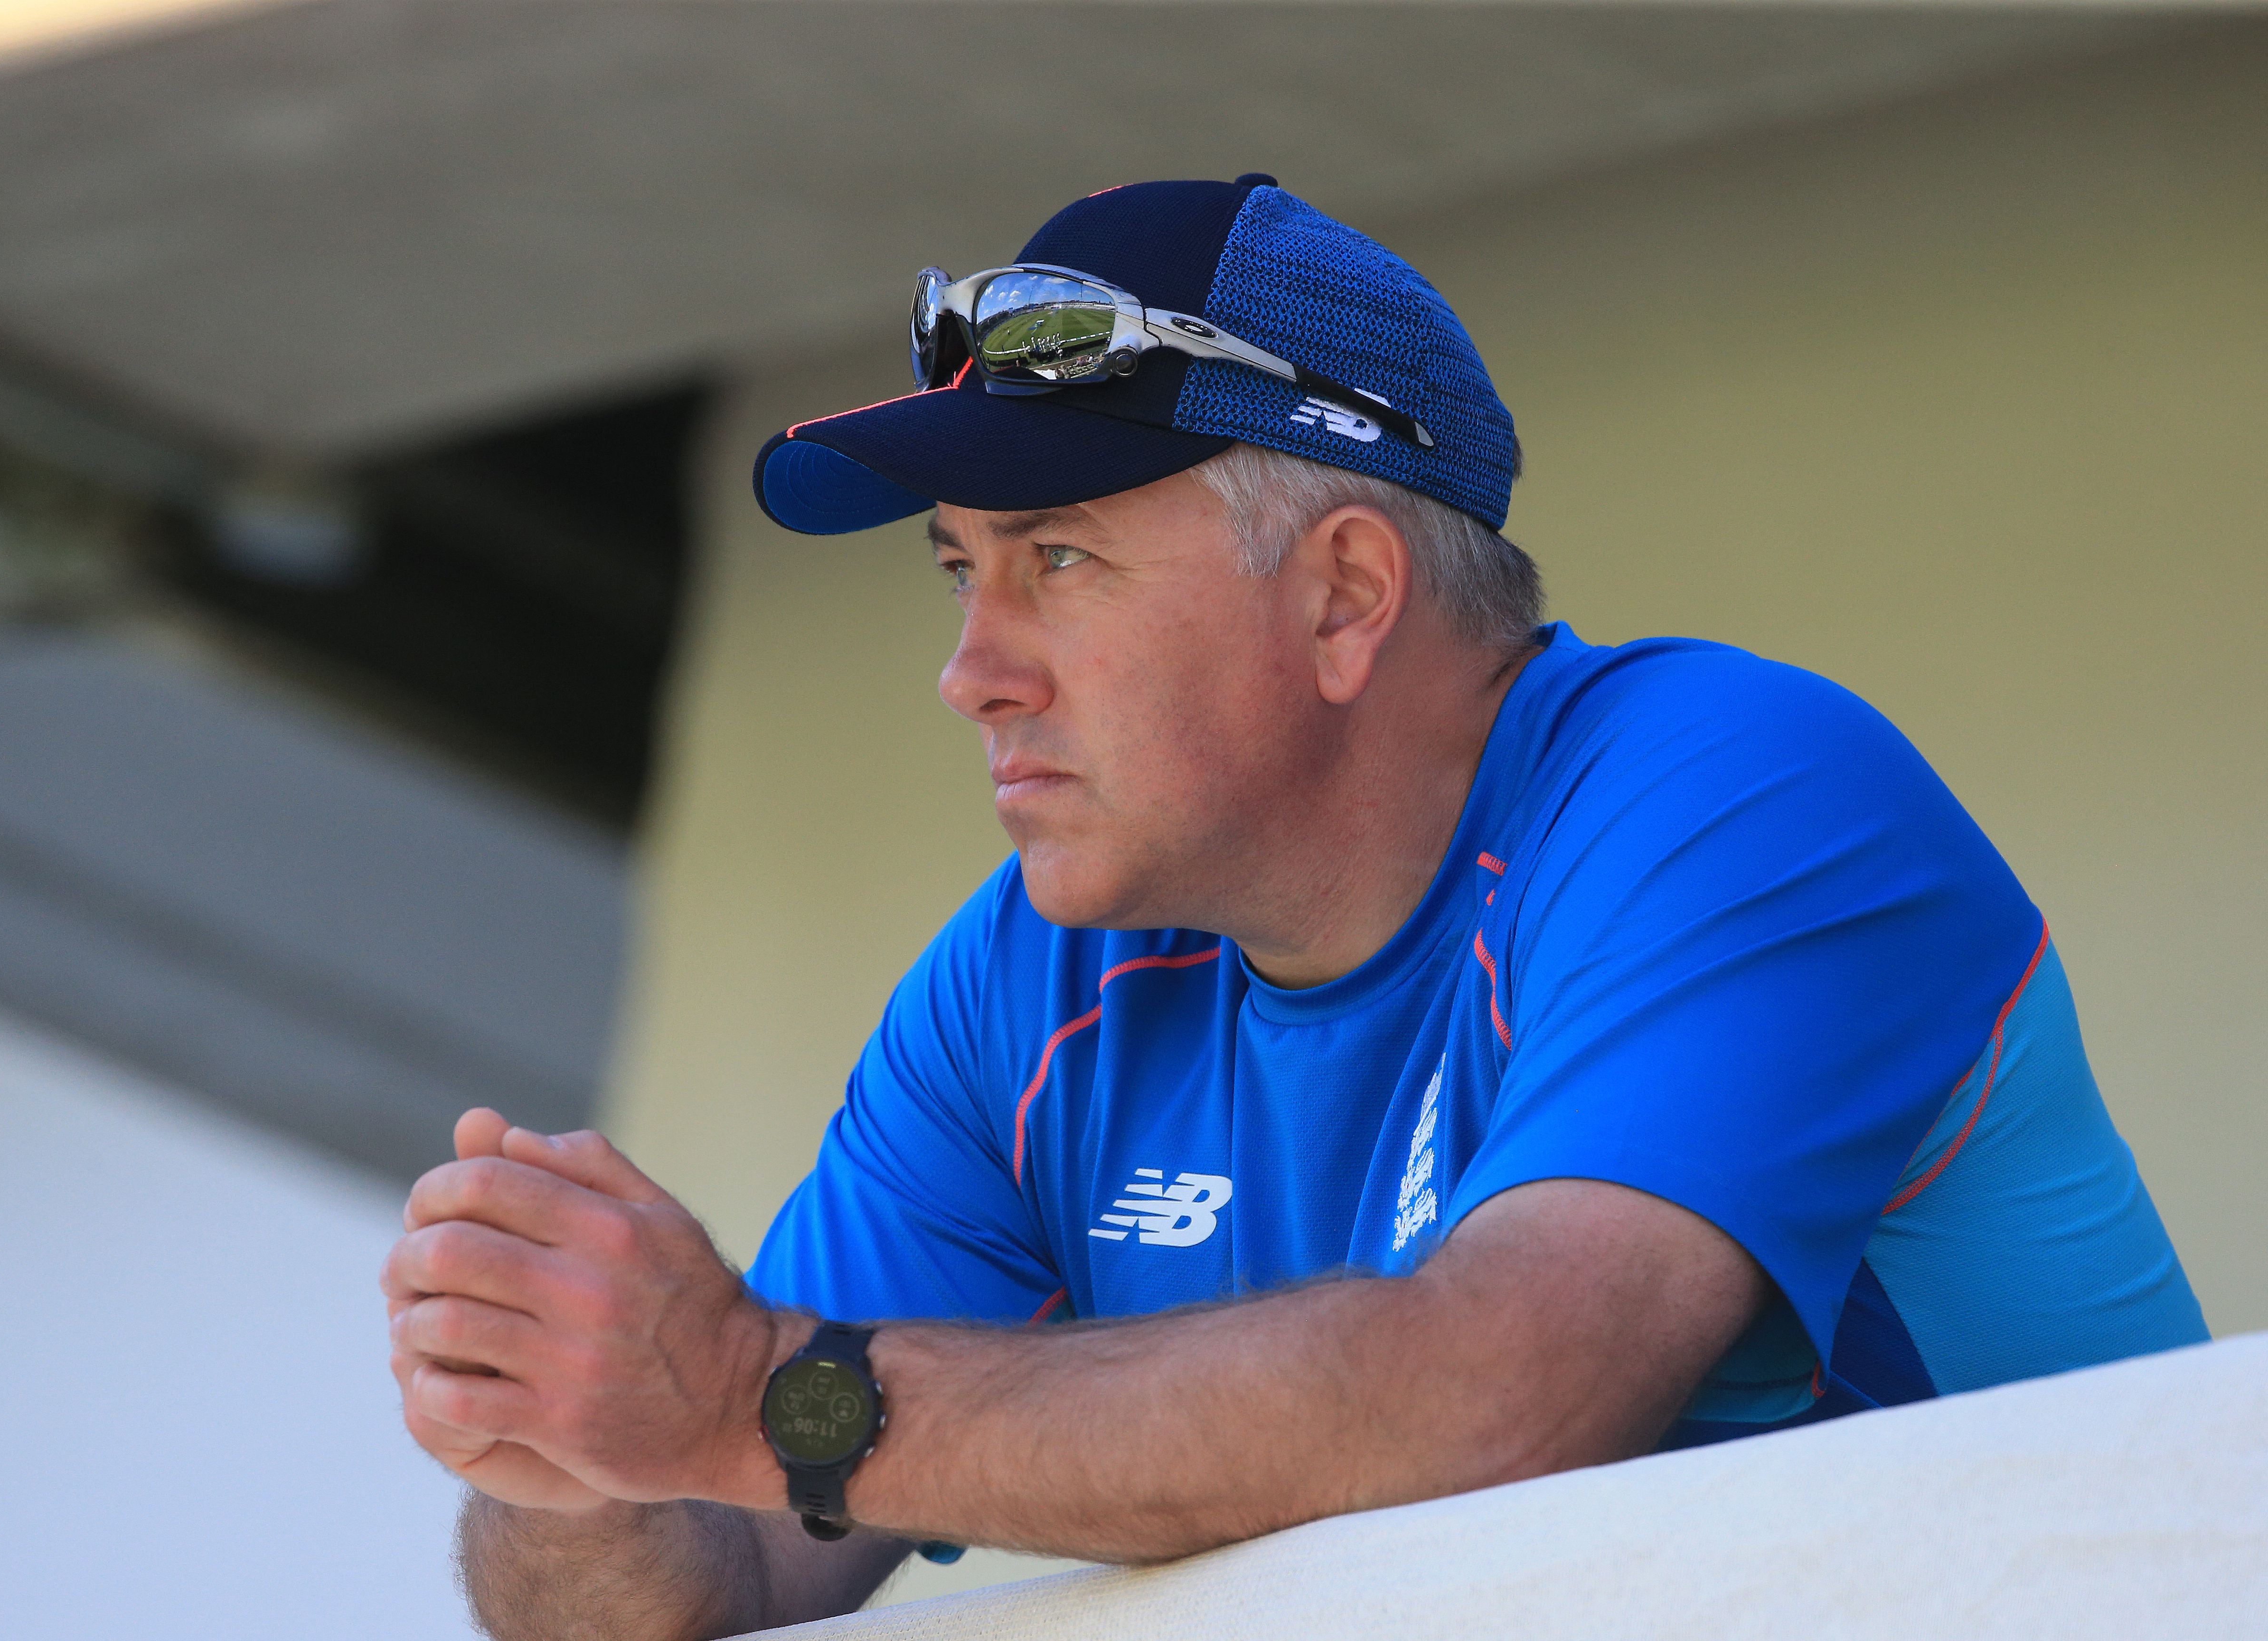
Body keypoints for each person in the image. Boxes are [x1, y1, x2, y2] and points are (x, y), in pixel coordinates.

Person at [383, 176, 2208, 1640]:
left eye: (1062, 562)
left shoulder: (1733, 788)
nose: (973, 672)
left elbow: (1495, 1403)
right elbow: (717, 1565)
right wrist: (571, 1441)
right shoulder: (1035, 975)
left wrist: (752, 1397)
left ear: (1346, 599)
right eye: (961, 575)